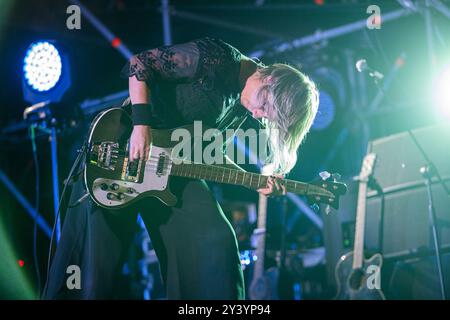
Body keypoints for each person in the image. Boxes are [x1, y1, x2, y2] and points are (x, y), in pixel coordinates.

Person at [42, 37, 319, 300]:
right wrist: (142, 126)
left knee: (216, 243)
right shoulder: (217, 58)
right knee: (94, 274)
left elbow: (208, 152)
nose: (258, 115)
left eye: (266, 117)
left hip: (172, 171)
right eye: (265, 107)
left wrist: (253, 181)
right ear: (269, 80)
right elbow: (140, 64)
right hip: (122, 152)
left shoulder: (241, 104)